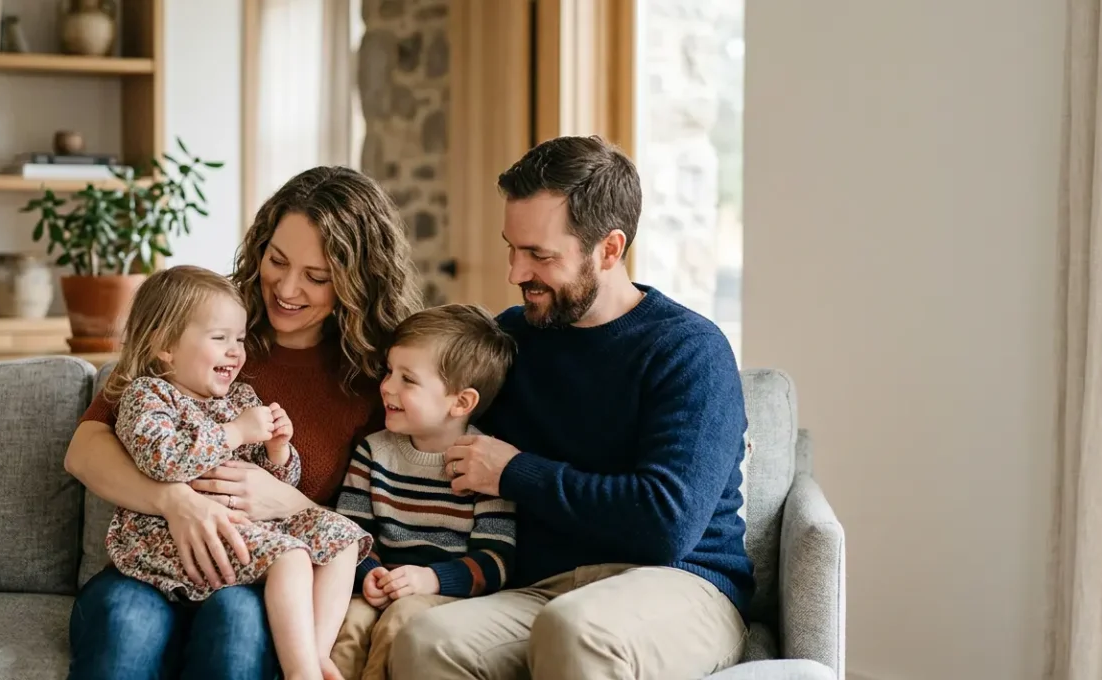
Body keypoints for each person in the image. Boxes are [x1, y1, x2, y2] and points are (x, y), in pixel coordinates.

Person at [388, 136, 755, 680]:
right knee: (427, 639)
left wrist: (516, 472)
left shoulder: (689, 351)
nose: (515, 272)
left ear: (608, 249)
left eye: (539, 254)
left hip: (681, 583)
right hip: (544, 588)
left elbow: (665, 524)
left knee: (577, 630)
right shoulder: (512, 337)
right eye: (511, 247)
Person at [65, 166, 423, 680]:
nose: (287, 287)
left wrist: (289, 500)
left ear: (358, 281)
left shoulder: (376, 380)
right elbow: (85, 447)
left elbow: (374, 524)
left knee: (238, 628)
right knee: (127, 623)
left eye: (317, 277)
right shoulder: (205, 324)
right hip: (150, 564)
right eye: (276, 260)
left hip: (257, 577)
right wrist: (175, 501)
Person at [102, 265, 374, 680]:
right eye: (219, 339)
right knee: (292, 557)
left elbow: (273, 489)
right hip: (166, 537)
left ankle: (316, 654)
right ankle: (301, 672)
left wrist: (278, 452)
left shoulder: (238, 399)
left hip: (241, 525)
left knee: (343, 538)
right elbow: (164, 460)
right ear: (165, 346)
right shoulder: (148, 395)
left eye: (240, 339)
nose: (235, 351)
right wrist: (235, 431)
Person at [328, 304, 518, 680]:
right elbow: (349, 533)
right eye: (389, 371)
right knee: (349, 623)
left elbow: (497, 561)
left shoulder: (484, 463)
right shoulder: (373, 451)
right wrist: (369, 572)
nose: (386, 386)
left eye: (407, 379)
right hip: (376, 585)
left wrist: (431, 579)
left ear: (460, 402)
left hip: (443, 596)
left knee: (400, 621)